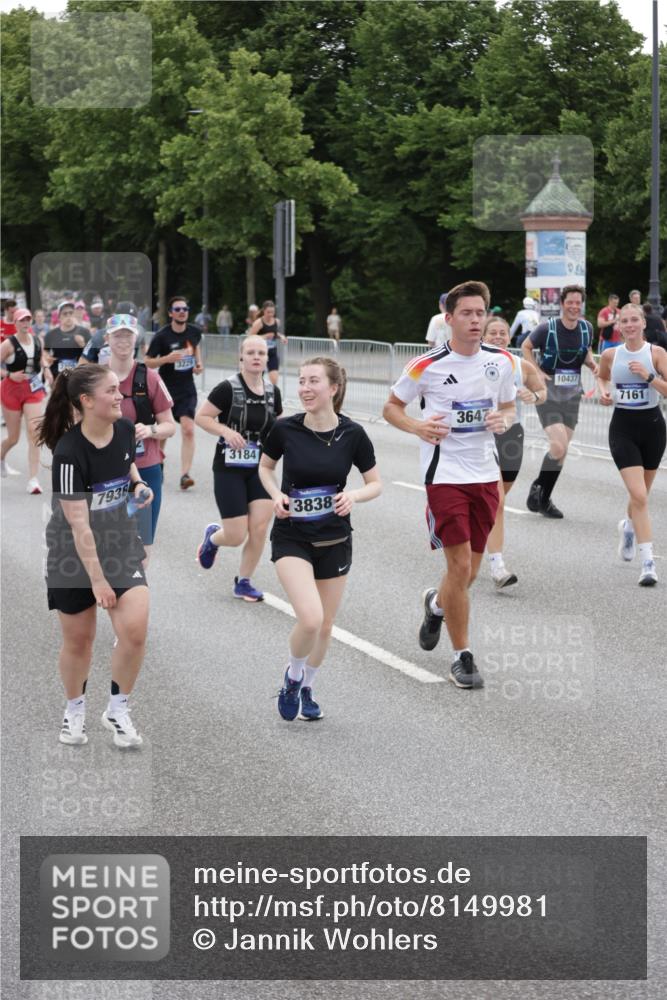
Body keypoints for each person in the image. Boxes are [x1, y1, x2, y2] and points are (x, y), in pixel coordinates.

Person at [383, 281, 516, 690]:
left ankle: (437, 605)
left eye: (481, 313)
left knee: (470, 572)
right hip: (444, 478)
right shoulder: (427, 365)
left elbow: (508, 406)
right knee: (458, 566)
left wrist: (504, 420)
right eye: (467, 313)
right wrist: (418, 426)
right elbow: (391, 407)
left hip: (484, 475)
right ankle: (462, 657)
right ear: (449, 318)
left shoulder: (502, 362)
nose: (476, 320)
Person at [36, 365, 153, 748]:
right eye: (111, 391)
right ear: (86, 401)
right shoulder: (69, 454)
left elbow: (126, 461)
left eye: (118, 389)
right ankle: (75, 708)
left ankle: (117, 710)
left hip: (119, 542)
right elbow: (78, 525)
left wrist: (137, 484)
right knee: (79, 641)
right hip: (73, 553)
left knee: (134, 630)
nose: (120, 396)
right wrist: (99, 580)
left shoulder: (122, 430)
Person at [259, 357, 381, 720]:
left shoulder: (353, 434)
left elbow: (376, 483)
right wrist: (275, 495)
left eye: (313, 381)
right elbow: (265, 467)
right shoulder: (286, 429)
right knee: (310, 619)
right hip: (292, 535)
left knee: (326, 626)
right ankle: (293, 677)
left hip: (334, 537)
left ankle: (308, 685)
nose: (305, 389)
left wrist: (354, 496)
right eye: (301, 381)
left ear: (333, 388)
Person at [195, 336, 283, 601]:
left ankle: (243, 582)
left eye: (261, 353)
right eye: (251, 352)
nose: (256, 357)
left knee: (258, 528)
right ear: (241, 357)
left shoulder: (272, 392)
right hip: (229, 467)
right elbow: (202, 417)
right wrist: (224, 430)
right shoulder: (227, 388)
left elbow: (276, 426)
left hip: (260, 468)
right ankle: (213, 539)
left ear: (267, 359)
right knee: (235, 535)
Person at [597, 303, 667, 587]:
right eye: (624, 321)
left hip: (653, 428)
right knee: (639, 495)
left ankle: (628, 527)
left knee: (641, 495)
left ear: (642, 323)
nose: (629, 325)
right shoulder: (611, 354)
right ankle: (648, 563)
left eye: (633, 320)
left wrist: (649, 377)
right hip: (622, 428)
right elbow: (602, 377)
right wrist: (603, 392)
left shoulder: (656, 353)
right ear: (619, 326)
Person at [521, 285, 597, 519]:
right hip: (547, 394)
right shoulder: (547, 328)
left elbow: (585, 351)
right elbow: (526, 347)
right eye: (570, 302)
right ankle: (538, 488)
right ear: (562, 304)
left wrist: (592, 364)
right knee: (559, 446)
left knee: (561, 453)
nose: (574, 306)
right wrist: (535, 371)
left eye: (578, 302)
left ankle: (543, 498)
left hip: (572, 395)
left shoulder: (587, 328)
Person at [481, 315, 546, 587]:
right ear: (483, 337)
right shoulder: (474, 363)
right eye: (492, 333)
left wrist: (535, 397)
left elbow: (542, 390)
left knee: (494, 501)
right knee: (497, 501)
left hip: (511, 434)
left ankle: (478, 534)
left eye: (502, 333)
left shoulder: (520, 365)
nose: (497, 337)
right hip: (481, 435)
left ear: (510, 337)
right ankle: (498, 566)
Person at [106, 314, 175, 560]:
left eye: (128, 335)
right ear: (107, 339)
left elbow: (170, 425)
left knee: (142, 549)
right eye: (117, 335)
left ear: (136, 339)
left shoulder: (150, 377)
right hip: (106, 472)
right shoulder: (95, 377)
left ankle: (132, 597)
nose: (123, 341)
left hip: (146, 470)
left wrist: (150, 430)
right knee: (108, 542)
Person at [145, 295, 203, 490]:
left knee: (188, 429)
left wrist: (198, 364)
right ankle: (158, 464)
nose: (182, 312)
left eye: (185, 309)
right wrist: (166, 359)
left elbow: (196, 351)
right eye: (177, 309)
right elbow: (148, 361)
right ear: (170, 313)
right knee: (163, 433)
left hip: (187, 388)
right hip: (166, 388)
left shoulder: (195, 332)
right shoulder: (162, 336)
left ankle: (185, 475)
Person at [0, 308, 47, 491]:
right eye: (21, 320)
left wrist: (47, 370)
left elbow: (39, 359)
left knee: (34, 431)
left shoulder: (37, 340)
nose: (25, 323)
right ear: (15, 323)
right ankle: (1, 457)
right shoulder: (8, 344)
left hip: (32, 389)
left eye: (28, 320)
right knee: (13, 438)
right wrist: (10, 374)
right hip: (11, 389)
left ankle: (33, 480)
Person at [43, 301, 90, 383]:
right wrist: (47, 357)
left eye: (71, 313)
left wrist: (83, 345)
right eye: (65, 314)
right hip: (58, 376)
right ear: (59, 317)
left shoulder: (84, 332)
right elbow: (44, 352)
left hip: (79, 376)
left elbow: (93, 355)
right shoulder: (51, 334)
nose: (68, 316)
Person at [249, 300, 287, 387]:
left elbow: (274, 333)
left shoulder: (277, 321)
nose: (270, 314)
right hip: (259, 354)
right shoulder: (258, 323)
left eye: (272, 312)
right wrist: (264, 336)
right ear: (263, 311)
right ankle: (257, 396)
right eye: (268, 312)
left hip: (272, 352)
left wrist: (281, 337)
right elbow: (250, 337)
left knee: (274, 379)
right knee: (257, 379)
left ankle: (271, 397)